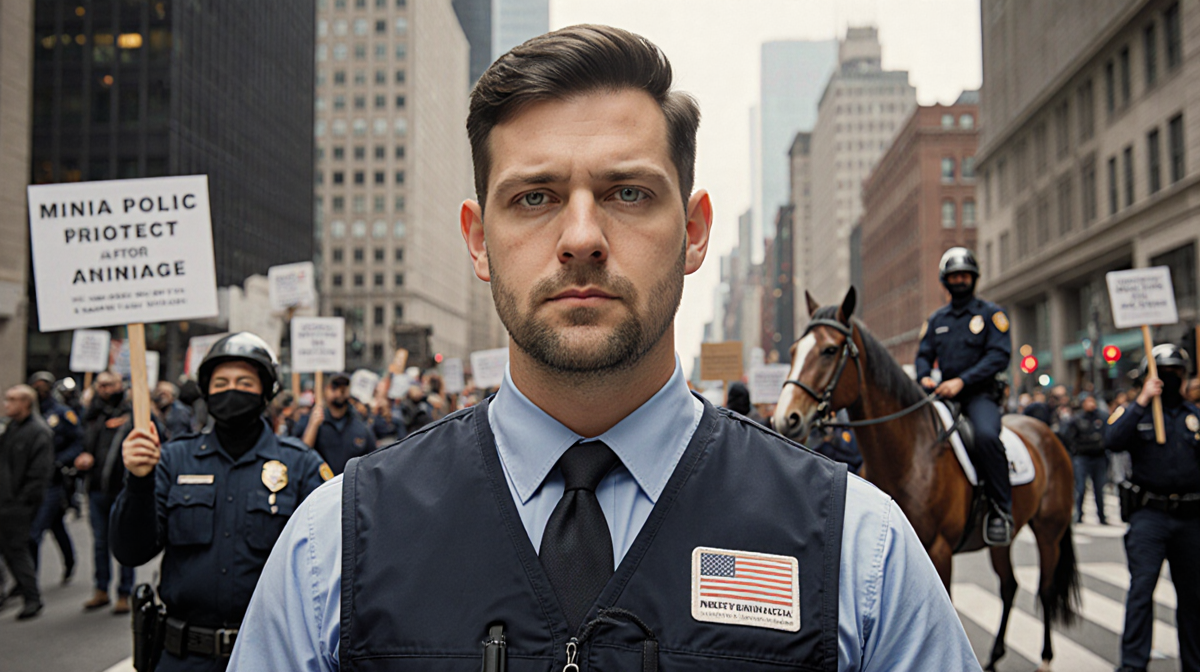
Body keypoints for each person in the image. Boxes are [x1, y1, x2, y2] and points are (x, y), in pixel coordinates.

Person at [229, 25, 977, 672]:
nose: (581, 238)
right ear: (478, 240)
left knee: (981, 438)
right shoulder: (334, 546)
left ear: (693, 231)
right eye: (534, 197)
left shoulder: (858, 548)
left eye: (627, 194)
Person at [112, 332, 332, 671]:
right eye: (221, 382)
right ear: (206, 391)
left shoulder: (301, 464)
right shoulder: (173, 459)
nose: (233, 390)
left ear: (266, 391)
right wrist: (139, 479)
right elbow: (132, 551)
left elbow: (328, 567)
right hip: (183, 657)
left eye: (245, 382)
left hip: (271, 656)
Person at [1104, 344, 1200, 672]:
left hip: (1190, 518)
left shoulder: (1194, 417)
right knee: (1142, 592)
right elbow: (1112, 440)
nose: (1171, 379)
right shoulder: (1138, 414)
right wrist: (1142, 400)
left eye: (1177, 373)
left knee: (1193, 600)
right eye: (1164, 373)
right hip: (1150, 515)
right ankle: (1133, 666)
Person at [916, 246, 1014, 546]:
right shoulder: (936, 320)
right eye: (954, 276)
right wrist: (922, 376)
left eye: (964, 275)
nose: (960, 281)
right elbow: (923, 354)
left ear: (974, 278)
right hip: (944, 396)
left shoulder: (992, 314)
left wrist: (962, 381)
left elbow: (999, 356)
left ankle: (1001, 508)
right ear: (945, 281)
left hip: (979, 396)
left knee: (985, 437)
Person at [75, 370, 135, 613]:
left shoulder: (131, 411)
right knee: (100, 543)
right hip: (97, 487)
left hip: (122, 488)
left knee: (125, 543)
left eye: (110, 384)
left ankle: (125, 592)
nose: (105, 389)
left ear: (120, 384)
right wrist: (81, 456)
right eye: (101, 385)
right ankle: (101, 588)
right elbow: (79, 442)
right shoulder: (91, 414)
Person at [0, 385, 54, 620]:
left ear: (26, 403)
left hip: (18, 504)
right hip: (5, 500)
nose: (6, 404)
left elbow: (40, 472)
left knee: (16, 550)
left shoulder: (38, 431)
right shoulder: (11, 428)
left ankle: (32, 597)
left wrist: (22, 500)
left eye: (12, 400)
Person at [27, 371, 82, 583]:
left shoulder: (61, 414)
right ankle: (68, 560)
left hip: (53, 481)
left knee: (35, 532)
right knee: (56, 525)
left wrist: (60, 461)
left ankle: (29, 582)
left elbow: (78, 441)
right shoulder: (29, 413)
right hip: (32, 480)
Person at [292, 373, 377, 475]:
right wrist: (313, 426)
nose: (339, 392)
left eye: (343, 388)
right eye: (334, 387)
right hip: (320, 485)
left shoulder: (360, 425)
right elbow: (301, 456)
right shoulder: (311, 421)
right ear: (325, 390)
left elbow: (372, 460)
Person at [1064, 392, 1109, 524]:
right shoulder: (1077, 419)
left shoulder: (1102, 417)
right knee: (1081, 487)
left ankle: (1101, 516)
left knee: (1099, 488)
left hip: (1099, 457)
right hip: (1082, 456)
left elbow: (1108, 434)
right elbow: (1068, 436)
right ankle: (1078, 514)